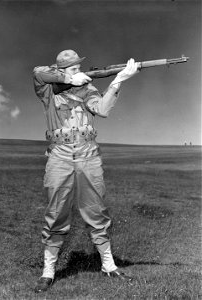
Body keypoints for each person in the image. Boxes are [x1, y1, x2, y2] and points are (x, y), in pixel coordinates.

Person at [33, 49, 139, 293]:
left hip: (88, 154)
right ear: (60, 71)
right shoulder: (49, 89)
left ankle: (109, 265)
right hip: (59, 155)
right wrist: (69, 80)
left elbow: (102, 109)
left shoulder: (88, 89)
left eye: (78, 68)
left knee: (96, 210)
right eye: (72, 69)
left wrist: (118, 80)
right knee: (56, 211)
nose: (78, 72)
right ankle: (48, 271)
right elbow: (38, 73)